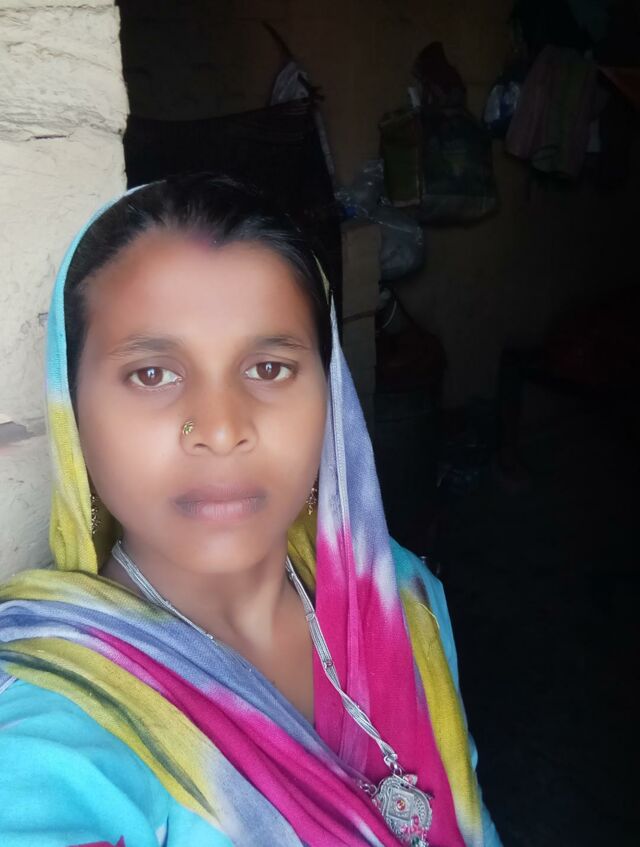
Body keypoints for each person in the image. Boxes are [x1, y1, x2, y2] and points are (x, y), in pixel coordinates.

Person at [0, 175, 502, 847]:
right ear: (73, 415)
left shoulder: (404, 595)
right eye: (153, 373)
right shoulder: (54, 723)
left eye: (268, 368)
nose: (220, 428)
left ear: (329, 393)